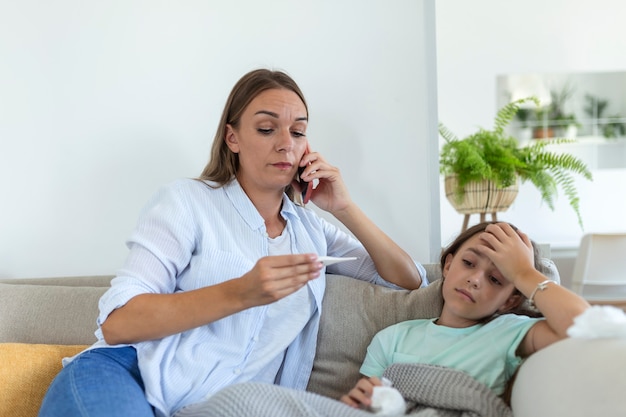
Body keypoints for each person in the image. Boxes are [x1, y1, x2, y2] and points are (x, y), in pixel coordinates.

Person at [38, 68, 426, 417]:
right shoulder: (187, 202)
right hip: (127, 375)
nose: (285, 144)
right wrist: (241, 292)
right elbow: (118, 323)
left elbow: (408, 280)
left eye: (298, 131)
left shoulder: (309, 230)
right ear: (232, 137)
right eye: (266, 128)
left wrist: (344, 207)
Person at [185, 221, 589, 417]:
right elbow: (364, 406)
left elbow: (586, 333)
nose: (475, 279)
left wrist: (526, 274)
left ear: (509, 300)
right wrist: (361, 400)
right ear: (447, 266)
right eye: (468, 262)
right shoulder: (394, 337)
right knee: (235, 401)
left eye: (497, 278)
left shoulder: (513, 331)